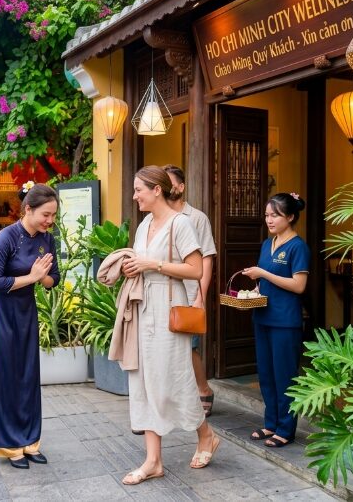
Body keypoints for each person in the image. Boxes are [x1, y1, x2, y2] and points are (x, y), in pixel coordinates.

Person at [118, 166, 218, 485]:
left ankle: (205, 435)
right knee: (144, 379)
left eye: (139, 190)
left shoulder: (181, 223)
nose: (135, 196)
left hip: (169, 306)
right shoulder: (144, 225)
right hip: (143, 307)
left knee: (175, 378)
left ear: (157, 190)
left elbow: (195, 269)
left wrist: (154, 264)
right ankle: (153, 461)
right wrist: (132, 267)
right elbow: (142, 263)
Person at [0, 183, 60, 470]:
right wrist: (32, 277)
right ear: (28, 209)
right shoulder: (6, 237)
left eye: (53, 215)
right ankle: (9, 445)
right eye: (45, 215)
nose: (50, 221)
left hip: (25, 311)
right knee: (5, 377)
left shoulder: (47, 240)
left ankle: (30, 442)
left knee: (28, 376)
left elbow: (53, 280)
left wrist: (42, 276)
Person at [242, 193, 310, 449]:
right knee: (267, 374)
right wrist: (257, 288)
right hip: (262, 316)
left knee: (285, 376)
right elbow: (266, 281)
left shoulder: (298, 247)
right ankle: (271, 423)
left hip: (285, 321)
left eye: (275, 215)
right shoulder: (266, 244)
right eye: (267, 215)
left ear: (290, 217)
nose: (269, 220)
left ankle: (286, 429)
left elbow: (299, 285)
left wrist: (263, 273)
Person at [163, 165, 217, 417]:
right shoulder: (158, 216)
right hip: (163, 291)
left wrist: (200, 296)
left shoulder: (197, 217)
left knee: (189, 346)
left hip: (188, 291)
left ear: (181, 187)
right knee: (168, 346)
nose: (166, 187)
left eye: (170, 183)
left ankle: (203, 389)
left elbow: (207, 258)